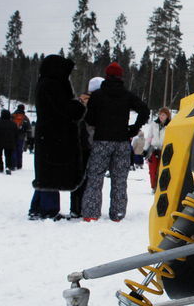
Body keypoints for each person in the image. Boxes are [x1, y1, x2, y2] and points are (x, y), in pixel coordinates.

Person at [81, 62, 148, 222]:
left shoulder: (97, 95)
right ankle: (117, 214)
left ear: (106, 75)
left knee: (95, 178)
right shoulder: (127, 95)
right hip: (122, 141)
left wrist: (100, 123)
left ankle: (91, 214)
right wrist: (133, 129)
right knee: (119, 179)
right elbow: (144, 110)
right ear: (120, 76)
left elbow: (89, 118)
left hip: (101, 141)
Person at [30, 55, 86, 220]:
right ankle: (49, 210)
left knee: (44, 173)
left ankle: (37, 207)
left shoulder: (44, 83)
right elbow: (66, 109)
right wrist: (79, 106)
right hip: (56, 135)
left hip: (47, 134)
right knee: (51, 174)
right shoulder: (53, 85)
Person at [68, 76, 103, 219]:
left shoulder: (78, 103)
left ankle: (75, 208)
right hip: (90, 144)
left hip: (78, 144)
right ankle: (82, 208)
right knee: (89, 179)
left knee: (78, 177)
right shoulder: (97, 104)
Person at [144, 107, 172, 193]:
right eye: (160, 114)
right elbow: (149, 137)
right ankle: (153, 187)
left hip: (164, 150)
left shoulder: (171, 125)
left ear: (167, 116)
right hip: (153, 149)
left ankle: (161, 187)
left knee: (162, 170)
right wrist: (145, 149)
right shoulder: (154, 124)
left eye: (163, 115)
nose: (161, 116)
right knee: (152, 170)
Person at [0, 108, 18, 174]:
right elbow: (16, 134)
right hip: (10, 142)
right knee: (8, 156)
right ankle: (8, 167)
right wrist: (15, 142)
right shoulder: (13, 124)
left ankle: (0, 167)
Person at [11, 104, 31, 170]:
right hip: (21, 136)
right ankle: (19, 165)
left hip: (13, 136)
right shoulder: (25, 118)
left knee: (13, 150)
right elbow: (29, 128)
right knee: (19, 150)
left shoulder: (13, 116)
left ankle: (13, 164)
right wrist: (29, 138)